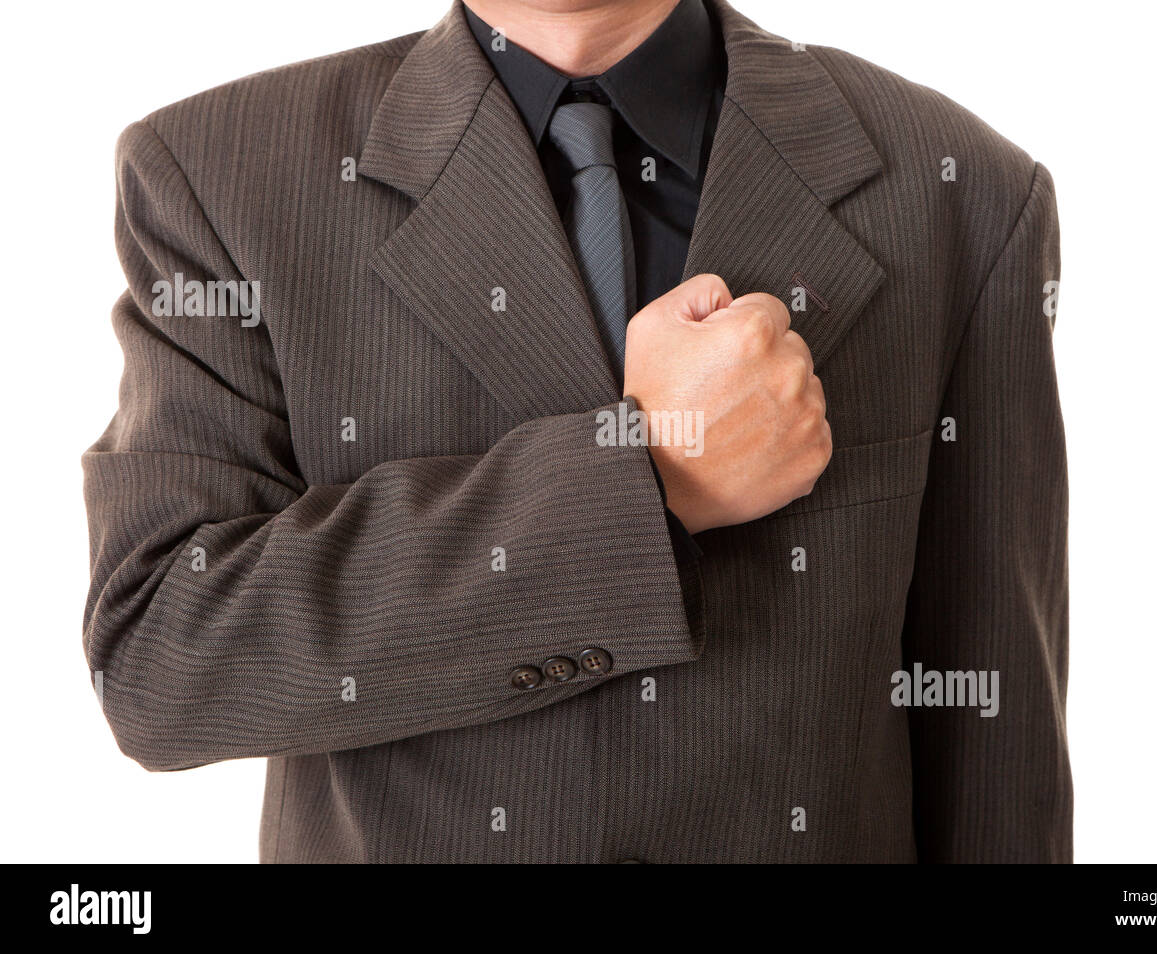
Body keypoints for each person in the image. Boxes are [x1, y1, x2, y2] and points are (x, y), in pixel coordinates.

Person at [83, 0, 1071, 863]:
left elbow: (994, 755)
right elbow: (163, 660)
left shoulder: (961, 192)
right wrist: (647, 478)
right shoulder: (219, 175)